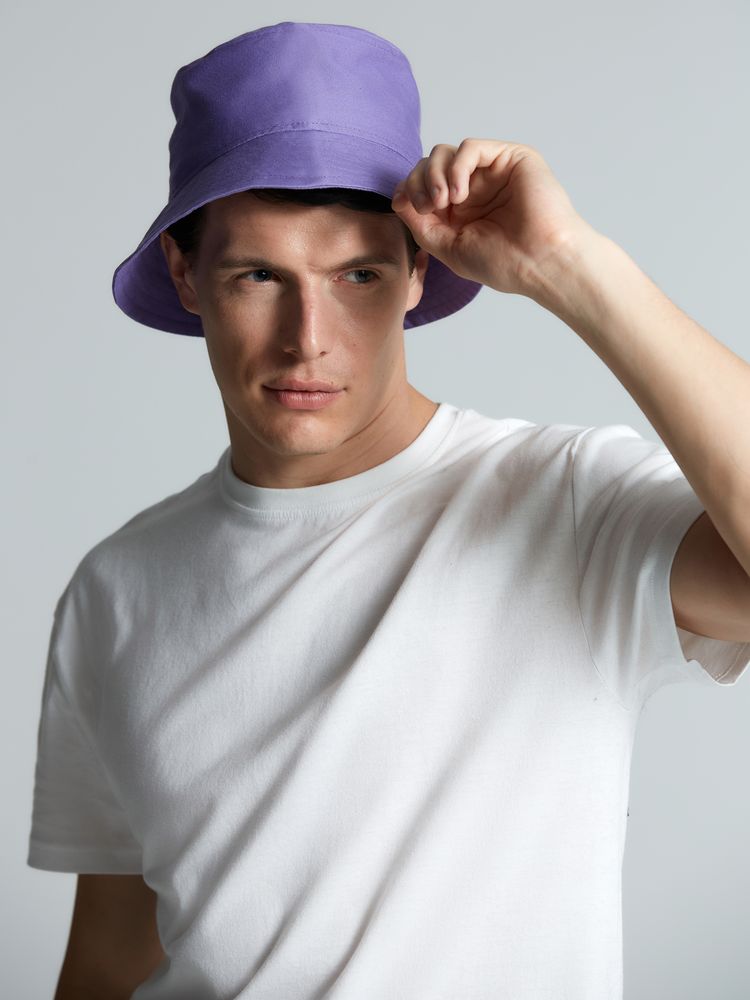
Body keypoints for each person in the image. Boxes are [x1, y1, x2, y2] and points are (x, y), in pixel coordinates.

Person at [26, 20, 750, 1000]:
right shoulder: (117, 588)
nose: (308, 339)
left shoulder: (567, 503)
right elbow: (109, 960)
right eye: (258, 276)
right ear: (185, 274)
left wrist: (570, 262)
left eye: (357, 275)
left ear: (418, 273)